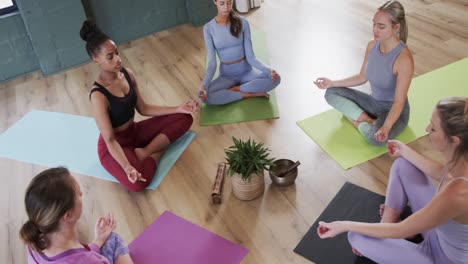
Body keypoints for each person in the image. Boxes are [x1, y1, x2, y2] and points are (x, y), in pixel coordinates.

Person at [317, 97, 468, 264]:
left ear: (454, 140)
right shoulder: (461, 159)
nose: (426, 129)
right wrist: (404, 151)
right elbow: (442, 172)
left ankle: (389, 231)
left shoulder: (458, 192)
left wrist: (342, 225)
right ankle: (388, 222)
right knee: (403, 164)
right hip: (437, 232)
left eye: (433, 128)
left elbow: (401, 230)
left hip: (441, 259)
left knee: (357, 236)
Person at [80, 20, 196, 192]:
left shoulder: (127, 74)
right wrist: (127, 167)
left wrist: (178, 108)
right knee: (138, 184)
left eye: (117, 53)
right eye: (110, 57)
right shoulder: (98, 96)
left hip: (134, 132)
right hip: (114, 146)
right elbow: (110, 140)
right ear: (96, 59)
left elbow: (143, 108)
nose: (118, 59)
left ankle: (147, 151)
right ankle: (159, 152)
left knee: (185, 118)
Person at [314, 0, 413, 146]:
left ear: (396, 27)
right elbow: (362, 77)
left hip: (394, 111)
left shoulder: (403, 59)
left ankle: (355, 120)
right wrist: (332, 82)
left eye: (381, 27)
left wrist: (385, 127)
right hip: (373, 103)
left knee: (376, 139)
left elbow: (399, 101)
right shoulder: (372, 45)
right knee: (331, 92)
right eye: (374, 24)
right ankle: (367, 119)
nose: (375, 30)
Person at [19, 167, 133, 263]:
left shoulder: (33, 242)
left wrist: (98, 240)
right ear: (68, 216)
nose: (82, 193)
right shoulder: (90, 260)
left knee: (107, 238)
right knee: (114, 239)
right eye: (79, 194)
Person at [198, 0, 281, 105]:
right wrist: (204, 85)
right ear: (215, 2)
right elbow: (212, 63)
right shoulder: (208, 29)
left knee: (276, 79)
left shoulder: (243, 22)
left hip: (247, 72)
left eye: (229, 3)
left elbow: (251, 57)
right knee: (204, 97)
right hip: (226, 76)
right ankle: (248, 94)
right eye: (222, 3)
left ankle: (237, 88)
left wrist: (269, 71)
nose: (226, 7)